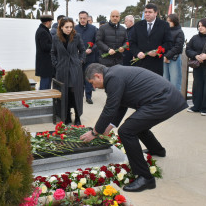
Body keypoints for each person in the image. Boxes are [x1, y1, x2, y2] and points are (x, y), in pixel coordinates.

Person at [80, 63, 188, 192]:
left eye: (92, 82)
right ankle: (157, 150)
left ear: (98, 76)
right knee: (135, 125)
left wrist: (95, 132)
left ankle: (145, 178)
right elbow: (120, 105)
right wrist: (109, 127)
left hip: (162, 100)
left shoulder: (113, 78)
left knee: (126, 131)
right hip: (165, 98)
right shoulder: (114, 74)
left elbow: (110, 108)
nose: (93, 87)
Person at [51, 17, 86, 125]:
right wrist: (56, 64)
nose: (69, 29)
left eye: (71, 27)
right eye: (66, 27)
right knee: (64, 93)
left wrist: (80, 61)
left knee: (75, 93)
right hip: (61, 70)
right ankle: (66, 115)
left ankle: (77, 116)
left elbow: (83, 50)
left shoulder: (76, 36)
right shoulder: (56, 38)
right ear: (61, 27)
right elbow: (53, 52)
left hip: (75, 70)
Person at [130, 3, 171, 76]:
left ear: (156, 13)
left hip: (156, 64)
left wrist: (157, 51)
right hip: (140, 64)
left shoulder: (164, 25)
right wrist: (137, 52)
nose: (147, 14)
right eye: (145, 12)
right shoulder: (138, 25)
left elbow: (168, 43)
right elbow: (132, 43)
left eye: (150, 12)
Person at [186, 18, 206, 115]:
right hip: (197, 66)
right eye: (199, 26)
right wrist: (195, 55)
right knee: (197, 86)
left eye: (202, 25)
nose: (200, 27)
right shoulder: (194, 38)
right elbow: (188, 49)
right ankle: (196, 106)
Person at [75, 11, 98, 104]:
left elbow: (97, 42)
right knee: (79, 77)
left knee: (88, 77)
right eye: (81, 18)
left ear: (87, 18)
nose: (82, 20)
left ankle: (89, 96)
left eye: (84, 18)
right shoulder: (75, 28)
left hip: (90, 57)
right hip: (78, 58)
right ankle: (79, 96)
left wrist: (92, 49)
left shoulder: (93, 29)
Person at [163, 14, 185, 91]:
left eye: (170, 21)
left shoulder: (179, 32)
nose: (167, 23)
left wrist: (167, 56)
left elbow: (178, 47)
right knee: (165, 82)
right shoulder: (165, 31)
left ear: (174, 22)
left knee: (175, 82)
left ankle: (176, 102)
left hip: (174, 59)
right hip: (164, 58)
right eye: (167, 21)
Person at [35, 14, 54, 90]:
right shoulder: (43, 32)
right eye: (51, 22)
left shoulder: (43, 30)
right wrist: (56, 46)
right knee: (45, 87)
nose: (51, 24)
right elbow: (45, 47)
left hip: (45, 64)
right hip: (45, 64)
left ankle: (46, 101)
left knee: (47, 86)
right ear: (48, 22)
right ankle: (43, 101)